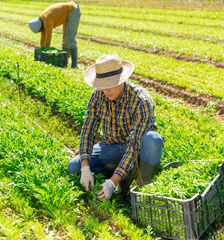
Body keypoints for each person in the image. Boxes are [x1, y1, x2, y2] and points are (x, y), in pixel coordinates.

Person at [68, 54, 164, 200]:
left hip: (137, 150)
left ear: (122, 80)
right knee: (74, 166)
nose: (105, 91)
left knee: (153, 140)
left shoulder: (141, 101)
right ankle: (118, 172)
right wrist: (85, 167)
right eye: (101, 86)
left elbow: (134, 147)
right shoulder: (98, 95)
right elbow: (88, 131)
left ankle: (143, 188)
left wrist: (112, 183)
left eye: (109, 85)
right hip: (111, 148)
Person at [28, 2, 81, 68]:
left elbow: (48, 39)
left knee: (70, 38)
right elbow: (43, 38)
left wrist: (46, 52)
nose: (41, 32)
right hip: (67, 14)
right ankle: (64, 61)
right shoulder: (41, 20)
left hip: (73, 11)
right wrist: (42, 49)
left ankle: (74, 65)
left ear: (40, 27)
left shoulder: (47, 20)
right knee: (65, 39)